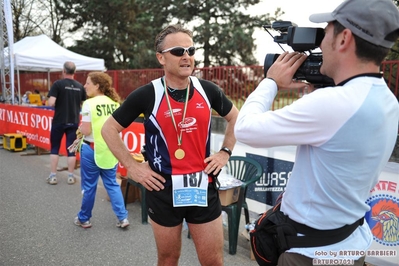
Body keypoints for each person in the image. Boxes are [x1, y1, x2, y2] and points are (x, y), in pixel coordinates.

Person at [235, 0, 399, 265]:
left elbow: (245, 129)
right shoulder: (387, 100)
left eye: (326, 31)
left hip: (308, 255)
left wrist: (271, 82)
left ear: (344, 38)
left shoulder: (332, 104)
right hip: (350, 245)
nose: (320, 42)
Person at [101, 24, 239, 265]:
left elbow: (236, 117)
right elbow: (109, 129)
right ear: (161, 58)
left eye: (191, 50)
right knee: (168, 259)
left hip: (201, 186)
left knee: (213, 261)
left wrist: (225, 152)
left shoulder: (208, 90)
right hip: (162, 188)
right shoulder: (147, 94)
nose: (186, 56)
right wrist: (132, 168)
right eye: (178, 51)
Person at [74, 72, 129, 229]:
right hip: (111, 149)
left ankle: (84, 219)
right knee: (111, 183)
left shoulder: (88, 104)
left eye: (88, 83)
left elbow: (85, 130)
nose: (85, 86)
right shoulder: (115, 104)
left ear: (97, 86)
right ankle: (123, 218)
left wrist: (79, 129)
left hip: (91, 149)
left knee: (89, 186)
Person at [47, 61, 86, 185]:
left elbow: (51, 103)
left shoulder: (58, 84)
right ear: (74, 72)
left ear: (63, 71)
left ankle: (53, 176)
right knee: (72, 150)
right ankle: (70, 176)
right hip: (73, 121)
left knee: (55, 149)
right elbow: (84, 105)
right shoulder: (80, 86)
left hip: (59, 121)